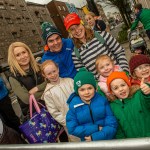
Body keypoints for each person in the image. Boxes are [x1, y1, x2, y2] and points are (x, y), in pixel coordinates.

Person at [64, 13, 129, 78]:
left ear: (82, 23)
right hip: (102, 86)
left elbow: (119, 52)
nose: (77, 30)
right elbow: (85, 74)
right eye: (72, 29)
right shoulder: (75, 53)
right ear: (70, 32)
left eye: (78, 25)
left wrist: (125, 71)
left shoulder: (102, 35)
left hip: (119, 77)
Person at [66, 68, 118, 141]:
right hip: (87, 143)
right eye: (82, 89)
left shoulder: (102, 101)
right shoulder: (74, 106)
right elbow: (72, 129)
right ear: (77, 91)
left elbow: (112, 125)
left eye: (90, 88)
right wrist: (95, 128)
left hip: (106, 140)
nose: (87, 92)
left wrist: (95, 137)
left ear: (95, 88)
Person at [41, 60, 80, 142]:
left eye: (54, 71)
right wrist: (68, 122)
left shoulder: (70, 81)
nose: (53, 75)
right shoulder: (48, 93)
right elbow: (54, 113)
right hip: (70, 124)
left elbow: (80, 96)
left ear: (58, 69)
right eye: (49, 73)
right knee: (78, 142)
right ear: (44, 75)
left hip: (83, 116)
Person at [8, 42, 46, 123]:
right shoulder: (13, 77)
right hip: (35, 115)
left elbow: (51, 80)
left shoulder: (39, 67)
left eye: (24, 52)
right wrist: (47, 89)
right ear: (13, 59)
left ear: (28, 52)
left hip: (49, 106)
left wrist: (38, 88)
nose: (22, 57)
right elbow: (27, 99)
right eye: (18, 55)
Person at [107, 71, 150, 138]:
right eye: (116, 88)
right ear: (112, 92)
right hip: (131, 144)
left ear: (128, 85)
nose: (121, 89)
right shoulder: (113, 107)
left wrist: (147, 93)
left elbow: (148, 101)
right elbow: (119, 130)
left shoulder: (139, 95)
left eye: (123, 85)